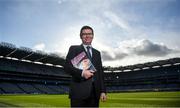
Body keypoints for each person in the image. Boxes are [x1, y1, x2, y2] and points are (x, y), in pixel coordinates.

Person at [64, 25, 107, 107]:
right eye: (84, 34)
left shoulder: (97, 53)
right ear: (81, 36)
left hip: (95, 93)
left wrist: (103, 91)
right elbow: (67, 67)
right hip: (79, 92)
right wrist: (82, 73)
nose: (87, 36)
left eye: (90, 34)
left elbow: (100, 73)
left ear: (93, 36)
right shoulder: (74, 49)